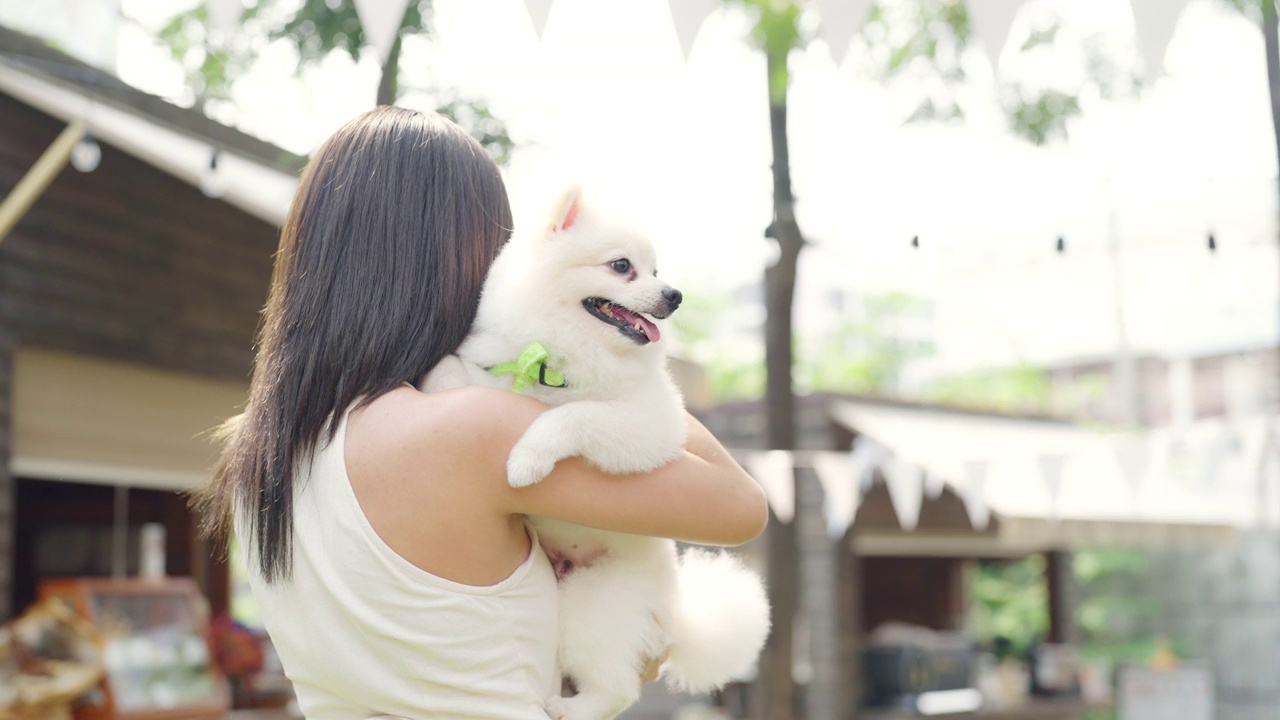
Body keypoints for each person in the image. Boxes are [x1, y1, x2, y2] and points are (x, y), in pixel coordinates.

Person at [196, 106, 768, 720]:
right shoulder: (475, 427)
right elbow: (739, 506)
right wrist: (617, 364)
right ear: (454, 255)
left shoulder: (255, 460)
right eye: (498, 242)